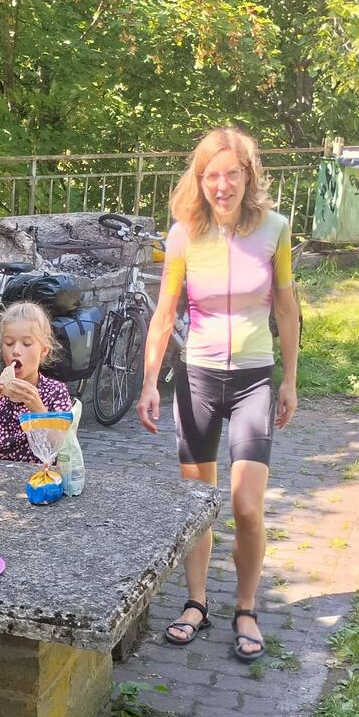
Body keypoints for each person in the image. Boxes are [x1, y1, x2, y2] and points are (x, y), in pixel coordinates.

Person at [135, 126, 301, 662]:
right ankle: (197, 603)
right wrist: (149, 382)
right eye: (211, 175)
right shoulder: (183, 235)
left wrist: (290, 379)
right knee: (197, 506)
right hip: (198, 379)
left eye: (232, 174)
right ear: (199, 179)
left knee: (246, 506)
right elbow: (164, 313)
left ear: (248, 176)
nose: (222, 185)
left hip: (253, 379)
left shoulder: (275, 229)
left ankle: (246, 608)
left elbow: (286, 308)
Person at [0, 301, 73, 461]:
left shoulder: (55, 391)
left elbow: (61, 448)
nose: (16, 351)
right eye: (9, 343)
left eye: (26, 344)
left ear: (44, 350)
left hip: (39, 474)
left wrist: (39, 411)